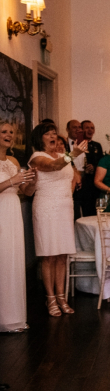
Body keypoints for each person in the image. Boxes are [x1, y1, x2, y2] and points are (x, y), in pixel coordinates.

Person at [28, 122, 87, 316]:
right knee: (49, 254)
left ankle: (62, 297)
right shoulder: (37, 157)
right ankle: (50, 299)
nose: (53, 135)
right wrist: (74, 154)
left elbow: (73, 177)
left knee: (62, 254)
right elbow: (53, 167)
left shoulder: (64, 156)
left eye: (55, 132)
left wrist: (68, 198)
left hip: (64, 208)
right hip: (46, 207)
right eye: (48, 133)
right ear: (40, 138)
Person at [0, 122, 37, 332]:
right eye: (4, 132)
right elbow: (11, 184)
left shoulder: (14, 160)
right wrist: (11, 181)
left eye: (11, 132)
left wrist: (32, 181)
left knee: (12, 262)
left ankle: (12, 317)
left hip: (12, 214)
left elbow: (27, 192)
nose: (9, 135)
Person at [75, 120, 104, 217]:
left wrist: (94, 167)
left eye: (92, 128)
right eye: (87, 127)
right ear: (81, 130)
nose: (90, 130)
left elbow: (101, 162)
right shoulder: (76, 145)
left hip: (94, 184)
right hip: (80, 183)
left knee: (94, 212)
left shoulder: (97, 145)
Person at [65, 120, 87, 219]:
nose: (78, 129)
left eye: (79, 127)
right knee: (74, 212)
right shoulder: (63, 144)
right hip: (71, 181)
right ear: (67, 129)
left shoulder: (86, 143)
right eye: (74, 127)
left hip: (85, 180)